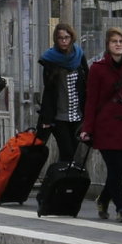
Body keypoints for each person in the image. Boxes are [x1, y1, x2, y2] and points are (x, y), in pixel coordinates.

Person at [80, 27, 122, 222]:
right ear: (108, 46)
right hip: (106, 127)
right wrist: (87, 128)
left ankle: (103, 199)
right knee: (114, 168)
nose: (118, 44)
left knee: (121, 169)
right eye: (114, 41)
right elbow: (91, 101)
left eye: (121, 41)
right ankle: (120, 209)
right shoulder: (98, 69)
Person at [38, 23, 87, 163]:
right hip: (59, 116)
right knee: (67, 151)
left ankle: (64, 180)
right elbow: (48, 91)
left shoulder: (79, 55)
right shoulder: (49, 59)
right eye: (60, 38)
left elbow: (87, 82)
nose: (64, 41)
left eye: (67, 37)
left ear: (72, 38)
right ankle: (62, 181)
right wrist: (46, 119)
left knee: (73, 152)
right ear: (56, 39)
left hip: (77, 115)